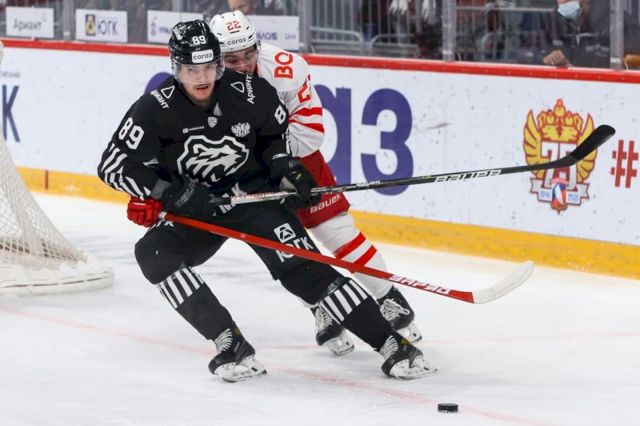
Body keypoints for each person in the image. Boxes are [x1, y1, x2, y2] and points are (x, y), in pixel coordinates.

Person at [99, 20, 434, 381]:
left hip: (253, 201)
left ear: (219, 63)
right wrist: (166, 192)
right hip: (200, 208)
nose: (202, 78)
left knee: (307, 272)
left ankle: (393, 345)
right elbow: (113, 167)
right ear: (176, 68)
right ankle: (229, 342)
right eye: (192, 70)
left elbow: (274, 141)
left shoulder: (251, 92)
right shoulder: (154, 109)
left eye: (209, 67)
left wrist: (288, 170)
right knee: (153, 253)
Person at [209, 10, 422, 357]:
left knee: (336, 233)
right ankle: (319, 307)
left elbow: (310, 133)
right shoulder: (203, 81)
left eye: (249, 54)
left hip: (298, 164)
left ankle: (388, 297)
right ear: (217, 59)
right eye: (233, 59)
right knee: (289, 250)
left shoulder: (286, 69)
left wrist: (272, 156)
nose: (245, 64)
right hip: (248, 174)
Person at [543, 0, 640, 68]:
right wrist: (549, 59)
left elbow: (632, 60)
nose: (563, 2)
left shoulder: (617, 21)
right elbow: (538, 53)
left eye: (568, 1)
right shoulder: (553, 21)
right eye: (561, 2)